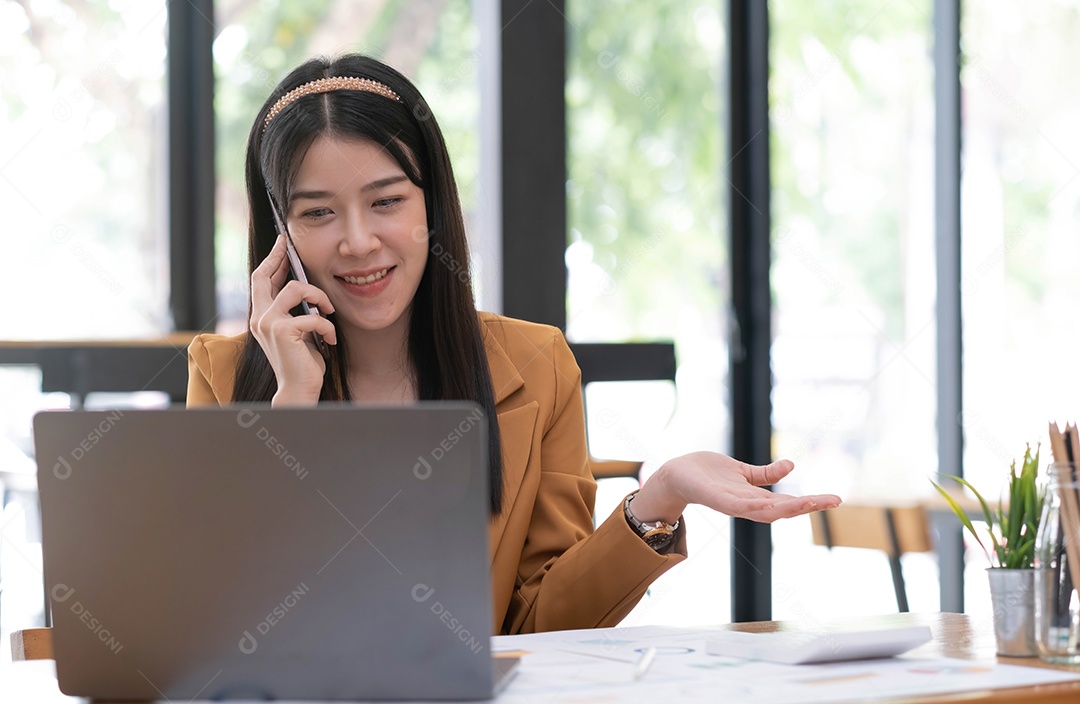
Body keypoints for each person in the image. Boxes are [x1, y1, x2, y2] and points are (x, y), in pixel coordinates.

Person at [186, 53, 841, 635]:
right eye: (318, 213)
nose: (358, 242)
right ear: (280, 236)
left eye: (386, 202)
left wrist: (658, 498)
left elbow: (544, 625)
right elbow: (219, 631)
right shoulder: (222, 376)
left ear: (432, 207)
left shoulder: (535, 363)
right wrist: (293, 407)